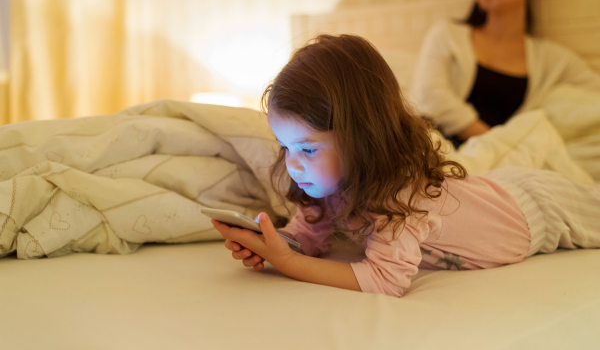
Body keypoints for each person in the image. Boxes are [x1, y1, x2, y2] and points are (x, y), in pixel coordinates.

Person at [211, 34, 600, 298]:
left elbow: (386, 280)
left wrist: (289, 263)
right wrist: (275, 244)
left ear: (361, 138)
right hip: (489, 195)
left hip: (534, 208)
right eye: (284, 146)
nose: (292, 164)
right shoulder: (329, 186)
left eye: (308, 150)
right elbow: (309, 235)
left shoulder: (398, 191)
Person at [411, 0, 600, 145]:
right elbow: (430, 96)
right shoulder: (446, 34)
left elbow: (594, 87)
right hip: (437, 151)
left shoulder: (552, 58)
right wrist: (495, 142)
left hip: (498, 164)